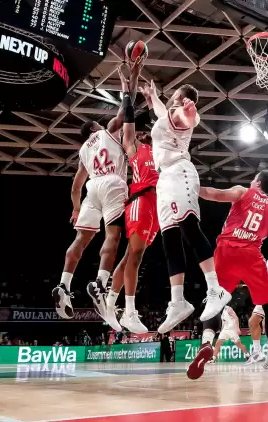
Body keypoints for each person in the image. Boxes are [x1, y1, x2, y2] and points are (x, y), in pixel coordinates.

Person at [52, 62, 142, 322]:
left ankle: (64, 285)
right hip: (113, 182)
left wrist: (76, 207)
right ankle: (101, 282)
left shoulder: (82, 152)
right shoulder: (107, 130)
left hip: (92, 188)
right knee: (113, 236)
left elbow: (75, 186)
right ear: (94, 127)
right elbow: (127, 109)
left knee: (81, 241)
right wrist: (132, 81)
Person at [139, 81, 229, 332]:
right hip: (164, 180)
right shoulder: (166, 115)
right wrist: (152, 96)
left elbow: (190, 118)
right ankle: (177, 301)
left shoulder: (183, 111)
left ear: (180, 97)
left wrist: (191, 111)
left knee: (189, 228)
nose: (171, 99)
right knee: (169, 240)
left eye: (175, 95)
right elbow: (160, 110)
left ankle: (215, 289)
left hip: (180, 172)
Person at [186, 171, 268, 379]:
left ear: (258, 182)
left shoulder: (243, 192)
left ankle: (207, 342)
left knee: (215, 301)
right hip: (252, 255)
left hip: (226, 251)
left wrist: (189, 189)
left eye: (253, 179)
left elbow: (215, 195)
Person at [105, 66, 158, 334]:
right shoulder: (133, 147)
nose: (139, 133)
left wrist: (150, 101)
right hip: (140, 201)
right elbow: (129, 121)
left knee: (129, 258)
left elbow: (155, 125)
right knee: (135, 256)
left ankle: (110, 303)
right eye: (137, 132)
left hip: (157, 208)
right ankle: (129, 310)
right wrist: (127, 93)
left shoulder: (158, 148)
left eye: (142, 131)